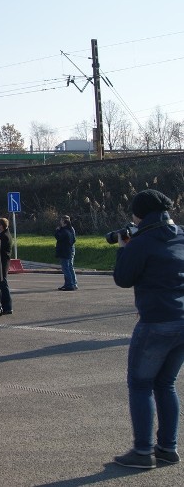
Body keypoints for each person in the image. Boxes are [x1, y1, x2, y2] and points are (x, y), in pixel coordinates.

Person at [112, 189, 184, 469]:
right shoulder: (180, 234)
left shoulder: (140, 242)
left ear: (140, 214)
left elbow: (123, 278)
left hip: (156, 320)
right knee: (166, 384)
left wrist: (123, 247)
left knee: (140, 385)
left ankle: (142, 452)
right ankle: (168, 447)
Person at [0, 217, 14, 315]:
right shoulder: (4, 234)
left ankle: (7, 306)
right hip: (4, 262)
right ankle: (5, 306)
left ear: (1, 226)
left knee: (3, 284)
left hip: (3, 262)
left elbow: (0, 249)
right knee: (2, 284)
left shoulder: (4, 236)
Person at [55, 215, 78, 291]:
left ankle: (71, 284)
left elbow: (60, 237)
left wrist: (58, 231)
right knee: (69, 267)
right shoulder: (69, 229)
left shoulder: (68, 230)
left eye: (61, 220)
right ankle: (71, 283)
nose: (60, 222)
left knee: (68, 267)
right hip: (69, 248)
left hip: (68, 249)